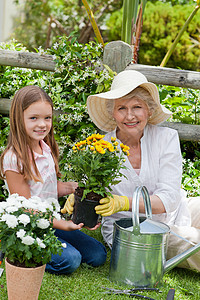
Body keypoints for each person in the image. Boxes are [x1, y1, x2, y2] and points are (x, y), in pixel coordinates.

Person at [64, 70, 200, 271]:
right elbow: (89, 191)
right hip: (133, 231)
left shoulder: (166, 138)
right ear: (113, 113)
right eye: (122, 108)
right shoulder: (101, 148)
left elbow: (170, 198)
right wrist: (79, 200)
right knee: (194, 241)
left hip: (176, 209)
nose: (130, 115)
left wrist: (124, 202)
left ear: (150, 110)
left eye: (137, 107)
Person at [0, 85, 107, 275]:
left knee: (98, 254)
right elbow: (26, 208)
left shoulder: (45, 147)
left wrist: (70, 188)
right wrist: (63, 224)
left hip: (51, 222)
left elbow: (45, 188)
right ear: (18, 119)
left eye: (47, 118)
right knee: (71, 260)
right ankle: (16, 253)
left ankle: (58, 243)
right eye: (34, 118)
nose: (42, 124)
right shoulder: (14, 158)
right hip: (30, 228)